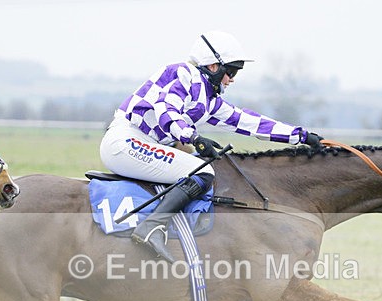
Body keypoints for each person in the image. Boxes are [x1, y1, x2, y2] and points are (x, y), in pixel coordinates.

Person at [100, 31, 322, 262]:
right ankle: (152, 228)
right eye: (231, 71)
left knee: (205, 164)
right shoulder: (183, 73)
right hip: (126, 142)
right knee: (203, 171)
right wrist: (192, 137)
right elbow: (166, 109)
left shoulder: (208, 99)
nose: (232, 79)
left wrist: (300, 136)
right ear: (214, 66)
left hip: (142, 145)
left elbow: (247, 121)